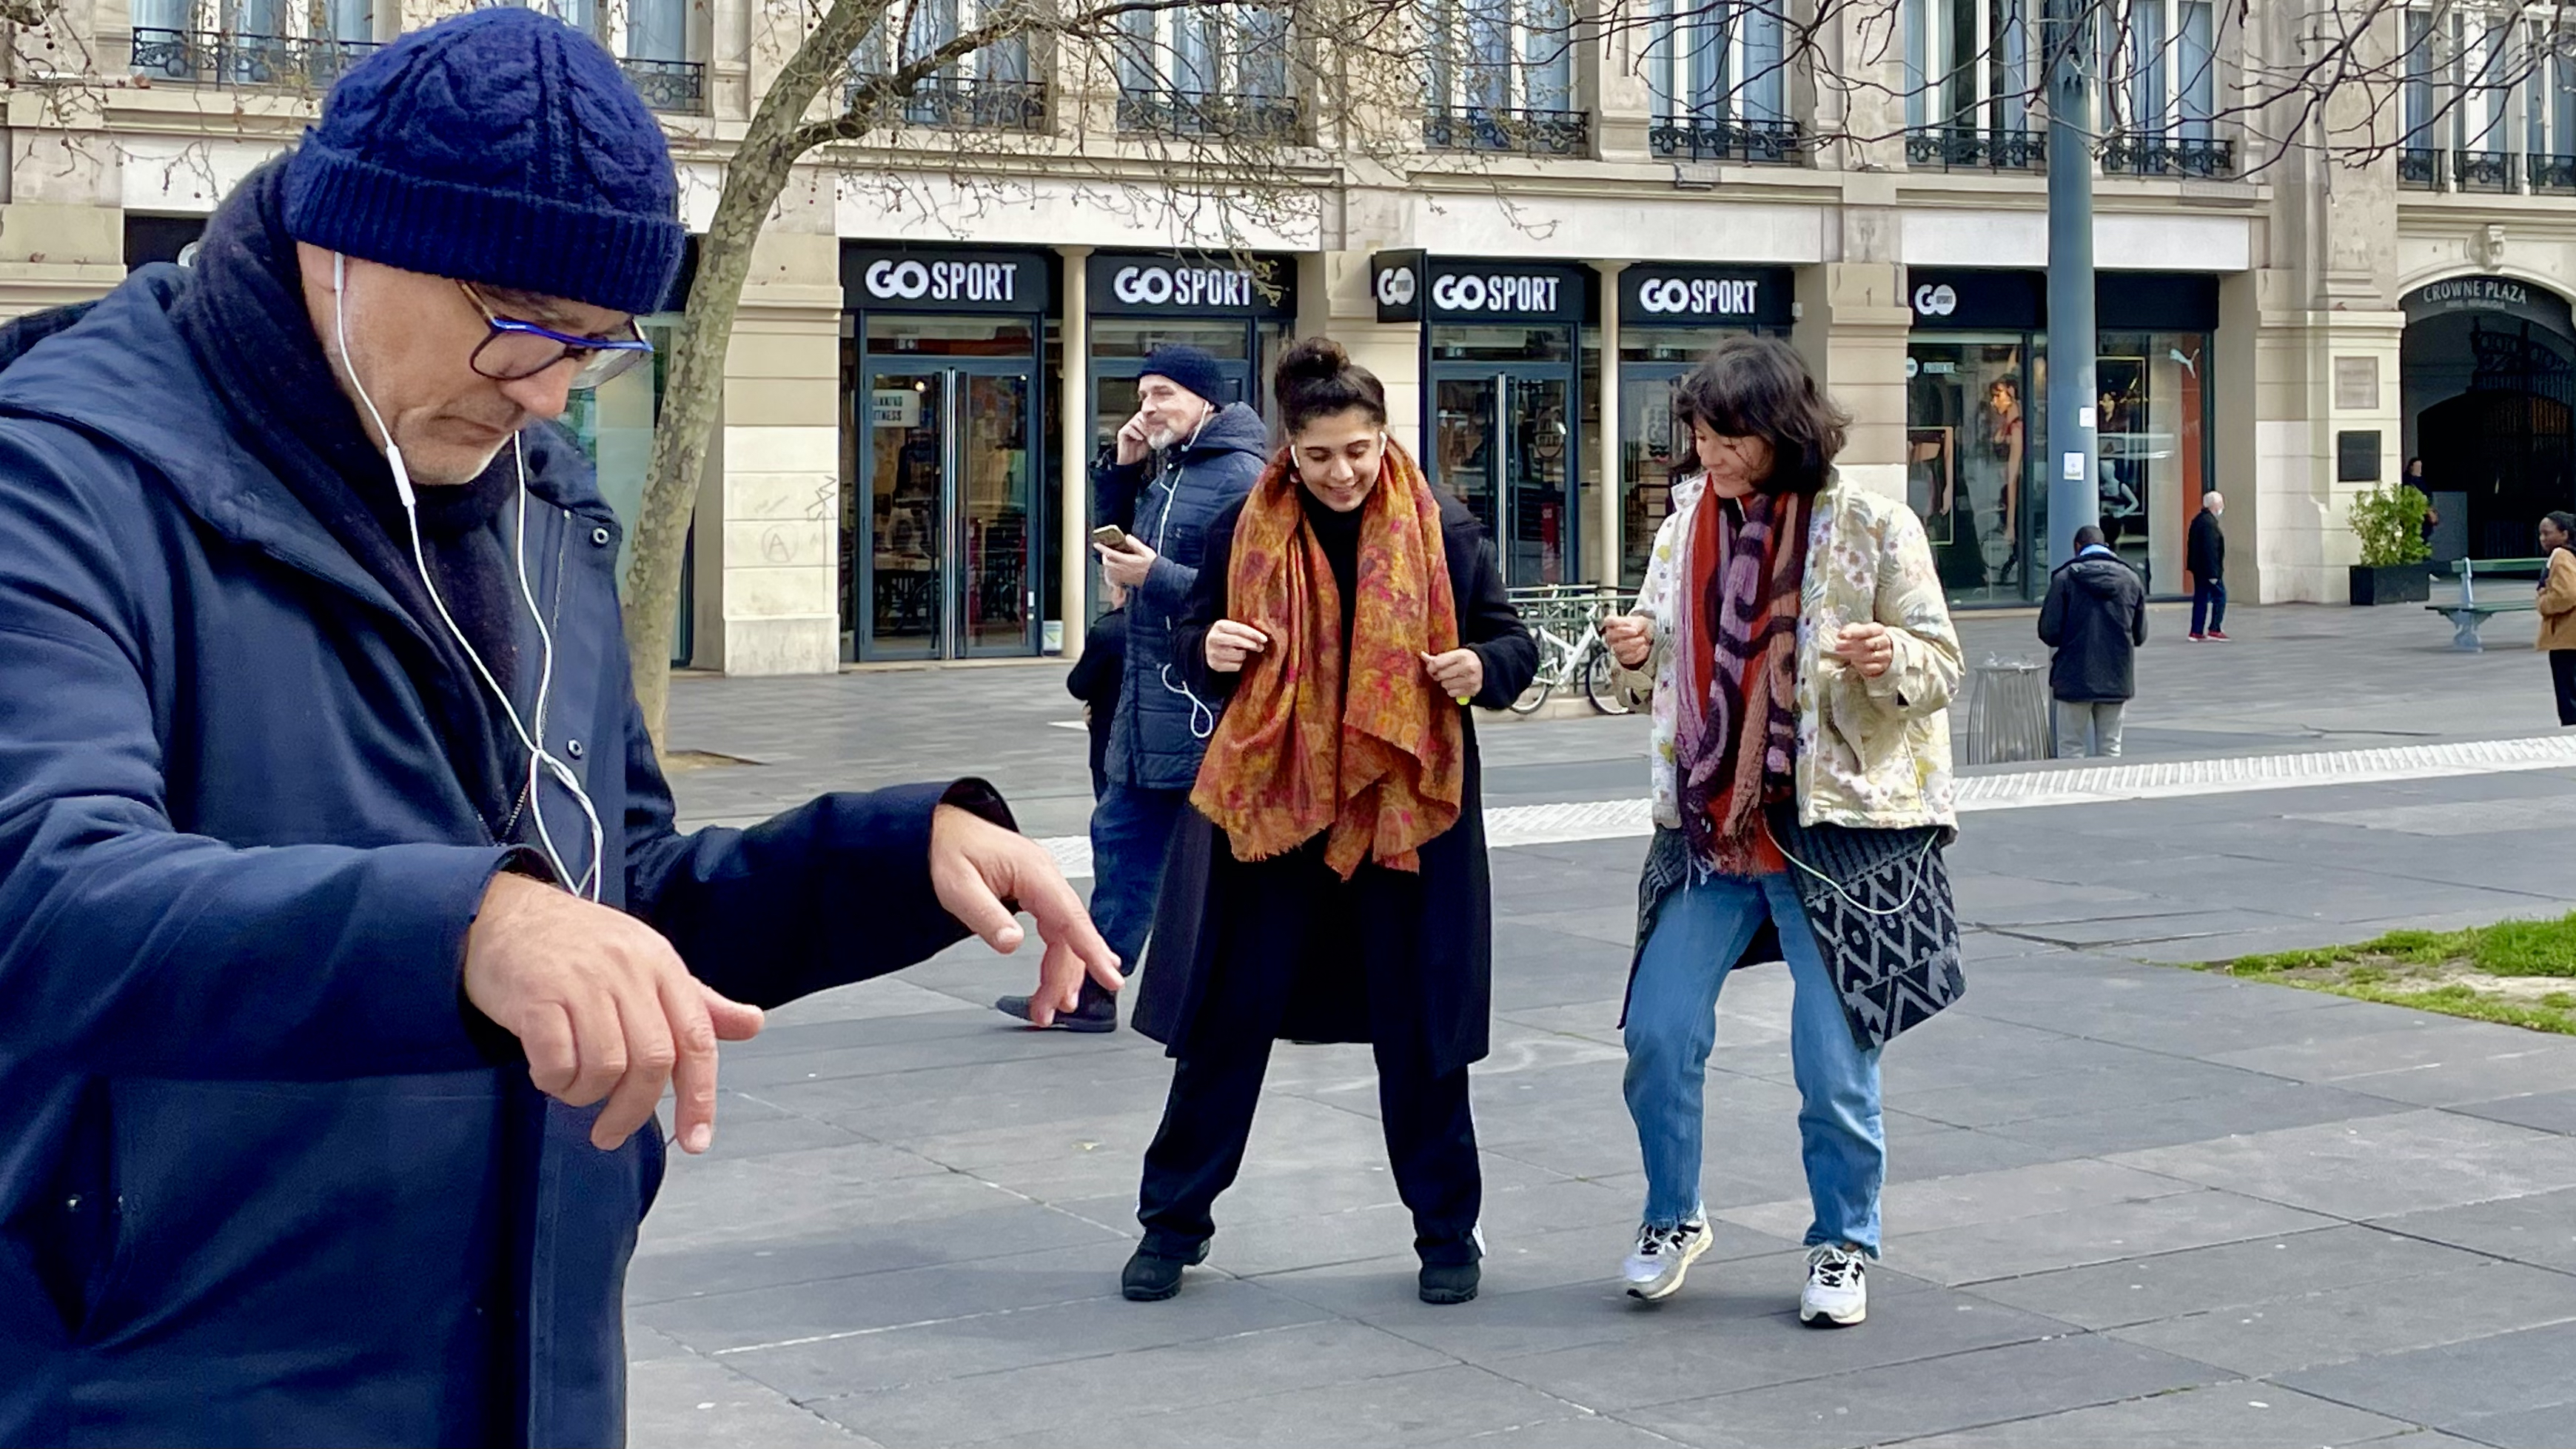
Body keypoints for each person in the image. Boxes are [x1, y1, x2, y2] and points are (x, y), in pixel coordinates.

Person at [0, 13, 1116, 1445]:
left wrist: (891, 858)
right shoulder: (56, 479)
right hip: (168, 1376)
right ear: (350, 239)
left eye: (595, 346)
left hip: (529, 1360)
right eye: (523, 325)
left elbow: (614, 899)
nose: (547, 391)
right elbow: (44, 887)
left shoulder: (541, 499)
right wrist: (470, 926)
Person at [1120, 339, 1537, 1308]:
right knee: (1229, 1022)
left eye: (1358, 449)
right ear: (1290, 450)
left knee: (1420, 1031)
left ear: (1383, 437)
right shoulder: (1245, 525)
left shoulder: (1444, 530)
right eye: (1319, 455)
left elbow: (1509, 641)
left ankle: (1447, 1233)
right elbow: (1190, 636)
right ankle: (1170, 1225)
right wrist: (1210, 644)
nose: (1342, 472)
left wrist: (1484, 667)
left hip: (1402, 818)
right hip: (1274, 816)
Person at [1603, 335, 1965, 1329]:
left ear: (1784, 430)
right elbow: (1655, 665)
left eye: (1731, 438)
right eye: (1701, 436)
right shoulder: (1683, 526)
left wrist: (1889, 655)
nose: (1711, 456)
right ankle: (1672, 1217)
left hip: (1834, 832)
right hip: (1710, 826)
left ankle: (1843, 1239)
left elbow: (1941, 664)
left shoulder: (1873, 524)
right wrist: (1634, 651)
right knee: (1657, 1033)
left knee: (1834, 1061)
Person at [995, 345, 1264, 1033]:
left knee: (1213, 869)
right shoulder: (1171, 468)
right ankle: (1093, 992)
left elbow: (1249, 596)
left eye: (1163, 393)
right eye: (1143, 394)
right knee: (1120, 846)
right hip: (1145, 705)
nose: (1148, 407)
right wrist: (1121, 466)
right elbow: (1115, 546)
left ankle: (1244, 996)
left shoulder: (1241, 476)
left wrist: (1155, 576)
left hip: (1201, 706)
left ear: (1205, 399)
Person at [2039, 525, 2149, 757]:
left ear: (2077, 547)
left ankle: (2073, 782)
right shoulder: (2131, 579)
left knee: (2070, 746)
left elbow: (2049, 632)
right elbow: (2140, 635)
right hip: (2116, 674)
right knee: (2111, 746)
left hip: (2073, 675)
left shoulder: (2064, 578)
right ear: (2105, 545)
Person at [1069, 579, 1132, 803]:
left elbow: (1079, 685)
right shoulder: (1173, 625)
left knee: (1111, 809)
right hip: (1164, 746)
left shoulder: (1107, 631)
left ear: (1120, 593)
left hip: (1111, 737)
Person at [2535, 512, 2576, 726]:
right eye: (2540, 534)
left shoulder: (2560, 556)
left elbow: (2567, 594)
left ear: (2565, 534)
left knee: (2568, 694)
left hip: (2567, 636)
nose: (2542, 539)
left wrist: (2544, 602)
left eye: (2547, 533)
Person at [2188, 490, 2230, 640]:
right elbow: (2210, 549)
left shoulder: (2199, 520)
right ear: (2215, 505)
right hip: (2208, 570)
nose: (2222, 506)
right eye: (2221, 503)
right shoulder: (2209, 524)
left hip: (2199, 569)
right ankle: (2215, 628)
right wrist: (2213, 574)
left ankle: (2196, 630)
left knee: (2201, 598)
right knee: (2220, 597)